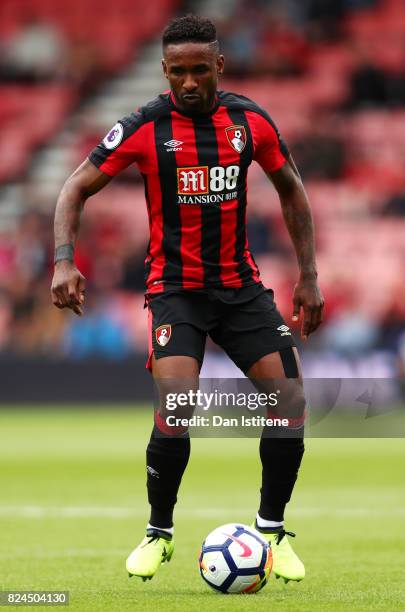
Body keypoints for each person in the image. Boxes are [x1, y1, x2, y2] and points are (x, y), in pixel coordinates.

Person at [51, 15, 324, 585]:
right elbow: (75, 185)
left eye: (201, 69)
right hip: (175, 292)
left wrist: (308, 276)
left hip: (241, 290)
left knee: (289, 404)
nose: (190, 82)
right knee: (176, 413)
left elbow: (292, 190)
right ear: (164, 72)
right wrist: (62, 260)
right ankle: (159, 534)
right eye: (179, 72)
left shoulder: (249, 121)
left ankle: (271, 532)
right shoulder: (145, 126)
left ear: (219, 66)